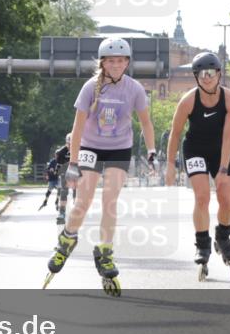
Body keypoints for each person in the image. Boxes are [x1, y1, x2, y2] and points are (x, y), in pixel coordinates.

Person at [42, 38, 157, 295]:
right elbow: (78, 127)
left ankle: (105, 251)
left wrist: (151, 152)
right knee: (83, 201)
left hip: (119, 147)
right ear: (103, 63)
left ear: (127, 62)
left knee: (110, 200)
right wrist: (72, 163)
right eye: (111, 61)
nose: (116, 65)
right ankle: (67, 240)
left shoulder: (135, 89)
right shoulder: (90, 88)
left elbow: (146, 123)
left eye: (121, 61)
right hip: (90, 147)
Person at [164, 52, 230, 281]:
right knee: (202, 197)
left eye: (210, 74)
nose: (206, 78)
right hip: (195, 148)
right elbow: (175, 133)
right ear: (196, 77)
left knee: (226, 198)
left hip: (220, 149)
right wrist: (169, 164)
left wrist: (223, 170)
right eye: (201, 75)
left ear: (219, 74)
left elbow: (228, 138)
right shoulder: (188, 100)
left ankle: (223, 236)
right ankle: (202, 244)